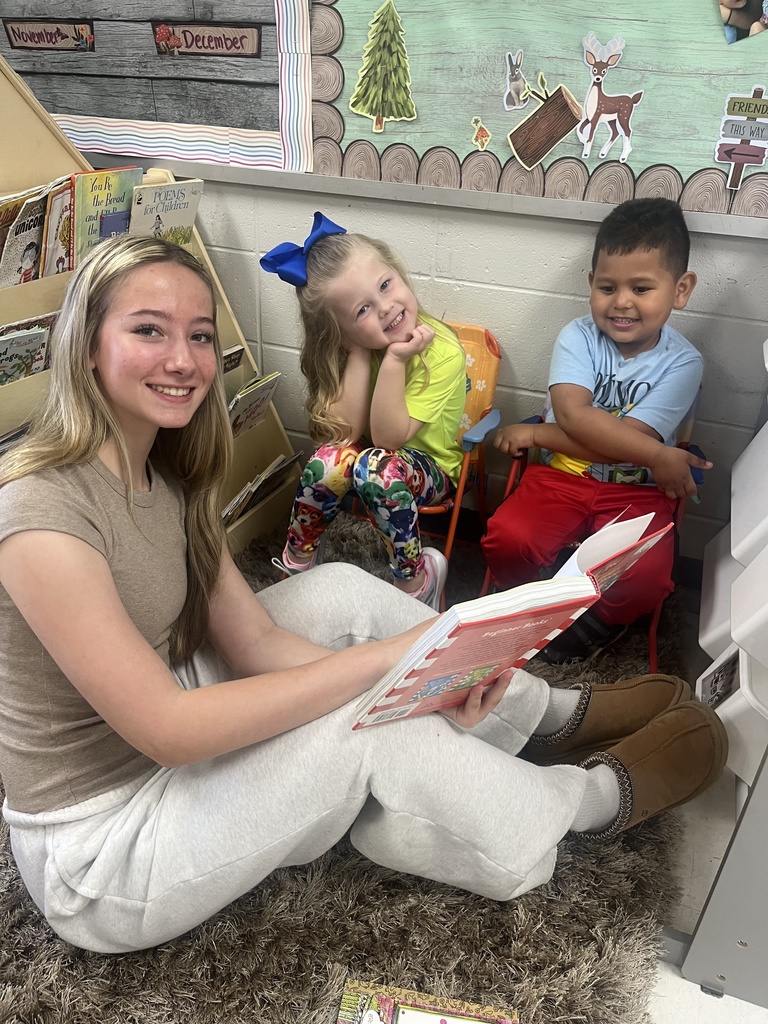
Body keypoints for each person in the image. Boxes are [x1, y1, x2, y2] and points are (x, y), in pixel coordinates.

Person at [0, 234, 727, 955]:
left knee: (344, 593)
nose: (184, 360)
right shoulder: (40, 520)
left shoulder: (168, 469)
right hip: (107, 840)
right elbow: (168, 730)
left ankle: (549, 714)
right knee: (362, 724)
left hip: (170, 693)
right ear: (86, 343)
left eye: (198, 334)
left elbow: (251, 643)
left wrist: (431, 669)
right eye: (148, 330)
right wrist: (395, 666)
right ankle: (587, 803)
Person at [481, 197, 712, 665]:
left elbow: (632, 443)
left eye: (642, 288)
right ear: (591, 285)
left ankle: (592, 627)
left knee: (647, 577)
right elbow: (574, 416)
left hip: (638, 490)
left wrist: (538, 435)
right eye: (608, 287)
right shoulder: (578, 337)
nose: (622, 302)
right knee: (508, 537)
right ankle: (525, 604)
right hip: (561, 478)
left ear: (681, 289)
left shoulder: (684, 362)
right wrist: (657, 456)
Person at [260, 212, 467, 610]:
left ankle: (416, 579)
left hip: (431, 468)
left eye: (386, 285)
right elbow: (343, 433)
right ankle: (298, 563)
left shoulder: (441, 350)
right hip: (368, 459)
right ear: (340, 330)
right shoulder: (354, 348)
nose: (386, 307)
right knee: (328, 460)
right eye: (362, 311)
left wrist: (394, 360)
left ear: (397, 271)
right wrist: (356, 349)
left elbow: (389, 439)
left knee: (375, 465)